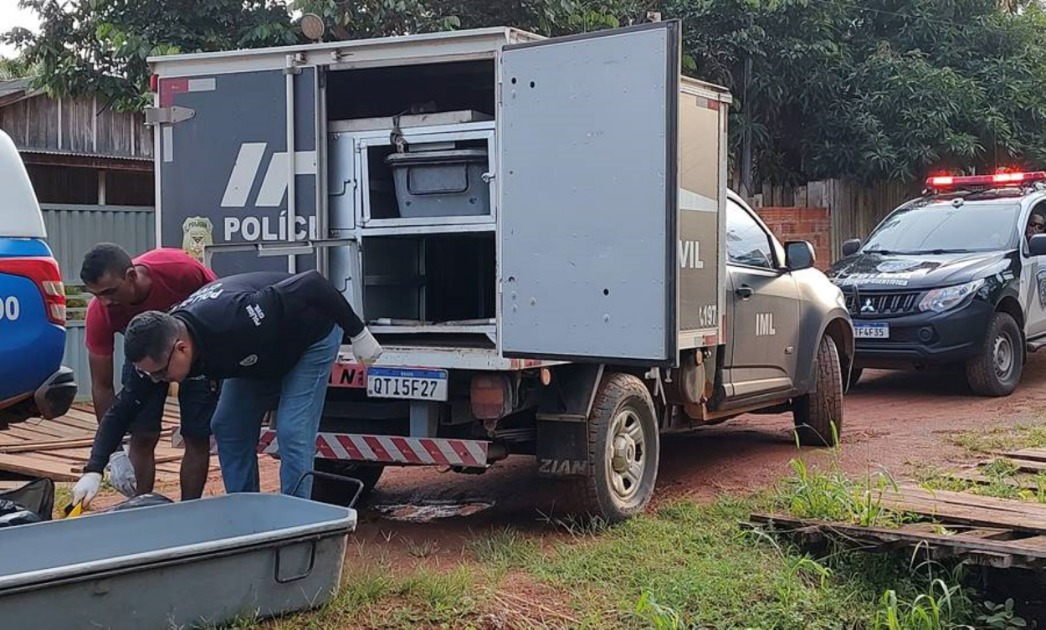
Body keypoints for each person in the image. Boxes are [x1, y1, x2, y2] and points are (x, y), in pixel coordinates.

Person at [72, 270, 383, 508]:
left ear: (181, 349)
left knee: (291, 430)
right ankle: (246, 512)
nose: (159, 381)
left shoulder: (237, 317)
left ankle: (296, 517)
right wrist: (95, 468)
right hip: (254, 357)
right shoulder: (157, 354)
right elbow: (123, 408)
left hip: (309, 338)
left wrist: (357, 332)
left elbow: (313, 283)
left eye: (162, 373)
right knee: (227, 425)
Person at [80, 244, 217, 501]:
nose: (105, 302)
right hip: (144, 362)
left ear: (131, 275)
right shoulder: (100, 312)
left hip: (193, 356)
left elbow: (220, 301)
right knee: (142, 434)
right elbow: (102, 386)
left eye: (110, 292)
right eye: (97, 295)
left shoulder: (179, 271)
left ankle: (190, 510)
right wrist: (115, 452)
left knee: (196, 436)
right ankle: (139, 508)